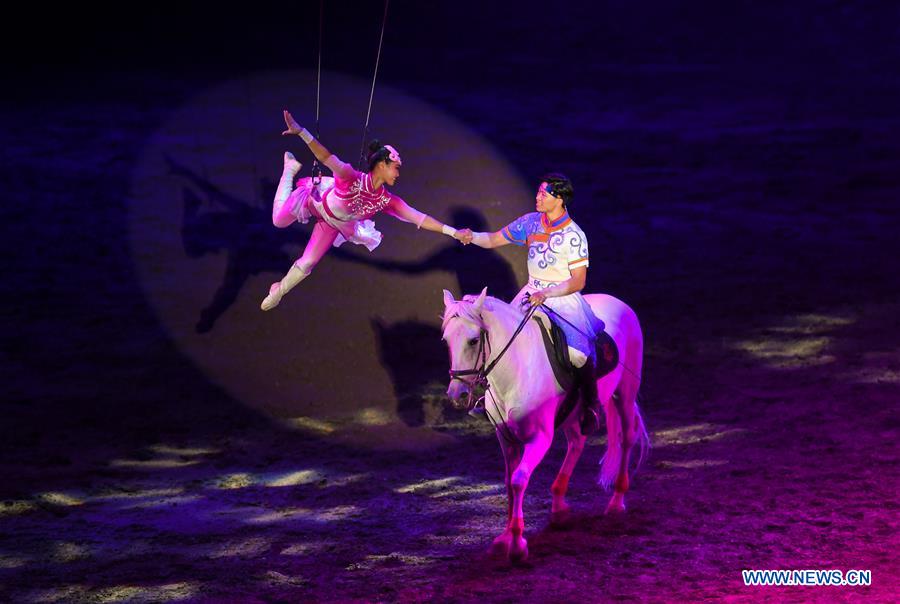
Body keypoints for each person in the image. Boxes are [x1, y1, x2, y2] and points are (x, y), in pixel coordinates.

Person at [262, 109, 472, 310]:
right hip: (314, 200)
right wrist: (301, 132)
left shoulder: (387, 201)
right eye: (396, 167)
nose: (398, 174)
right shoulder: (350, 176)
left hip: (333, 224)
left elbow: (421, 218)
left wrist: (455, 232)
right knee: (278, 221)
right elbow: (326, 157)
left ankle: (279, 291)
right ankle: (289, 169)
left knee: (307, 263)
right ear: (382, 164)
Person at [459, 173, 604, 432]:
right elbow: (493, 239)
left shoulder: (574, 236)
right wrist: (473, 237)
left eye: (543, 194)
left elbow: (578, 281)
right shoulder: (531, 223)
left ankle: (591, 405)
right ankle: (488, 397)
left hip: (561, 298)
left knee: (578, 354)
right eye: (538, 192)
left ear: (558, 199)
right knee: (500, 335)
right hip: (531, 292)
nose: (537, 197)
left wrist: (548, 294)